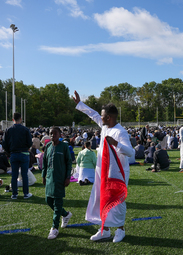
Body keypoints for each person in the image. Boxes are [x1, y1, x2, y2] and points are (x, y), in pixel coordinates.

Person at [73, 90, 134, 243]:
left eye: (103, 115)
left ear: (109, 117)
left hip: (117, 173)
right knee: (101, 199)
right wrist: (80, 104)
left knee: (117, 201)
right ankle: (104, 230)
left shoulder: (120, 132)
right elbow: (93, 114)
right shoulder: (105, 126)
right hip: (102, 170)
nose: (100, 117)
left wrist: (116, 144)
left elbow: (131, 152)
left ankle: (120, 229)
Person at [42, 127, 73, 240]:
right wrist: (43, 176)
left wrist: (68, 177)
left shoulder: (64, 146)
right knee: (48, 200)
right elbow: (45, 162)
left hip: (60, 178)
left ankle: (54, 228)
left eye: (55, 134)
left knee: (57, 203)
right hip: (49, 177)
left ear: (60, 135)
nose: (52, 136)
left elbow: (69, 162)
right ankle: (65, 214)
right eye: (51, 134)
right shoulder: (48, 147)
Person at [2, 113, 33, 199]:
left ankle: (14, 194)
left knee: (14, 175)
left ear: (13, 119)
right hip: (24, 153)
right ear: (21, 119)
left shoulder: (8, 130)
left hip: (13, 154)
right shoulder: (25, 130)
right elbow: (30, 142)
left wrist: (9, 152)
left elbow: (4, 144)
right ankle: (26, 193)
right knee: (24, 175)